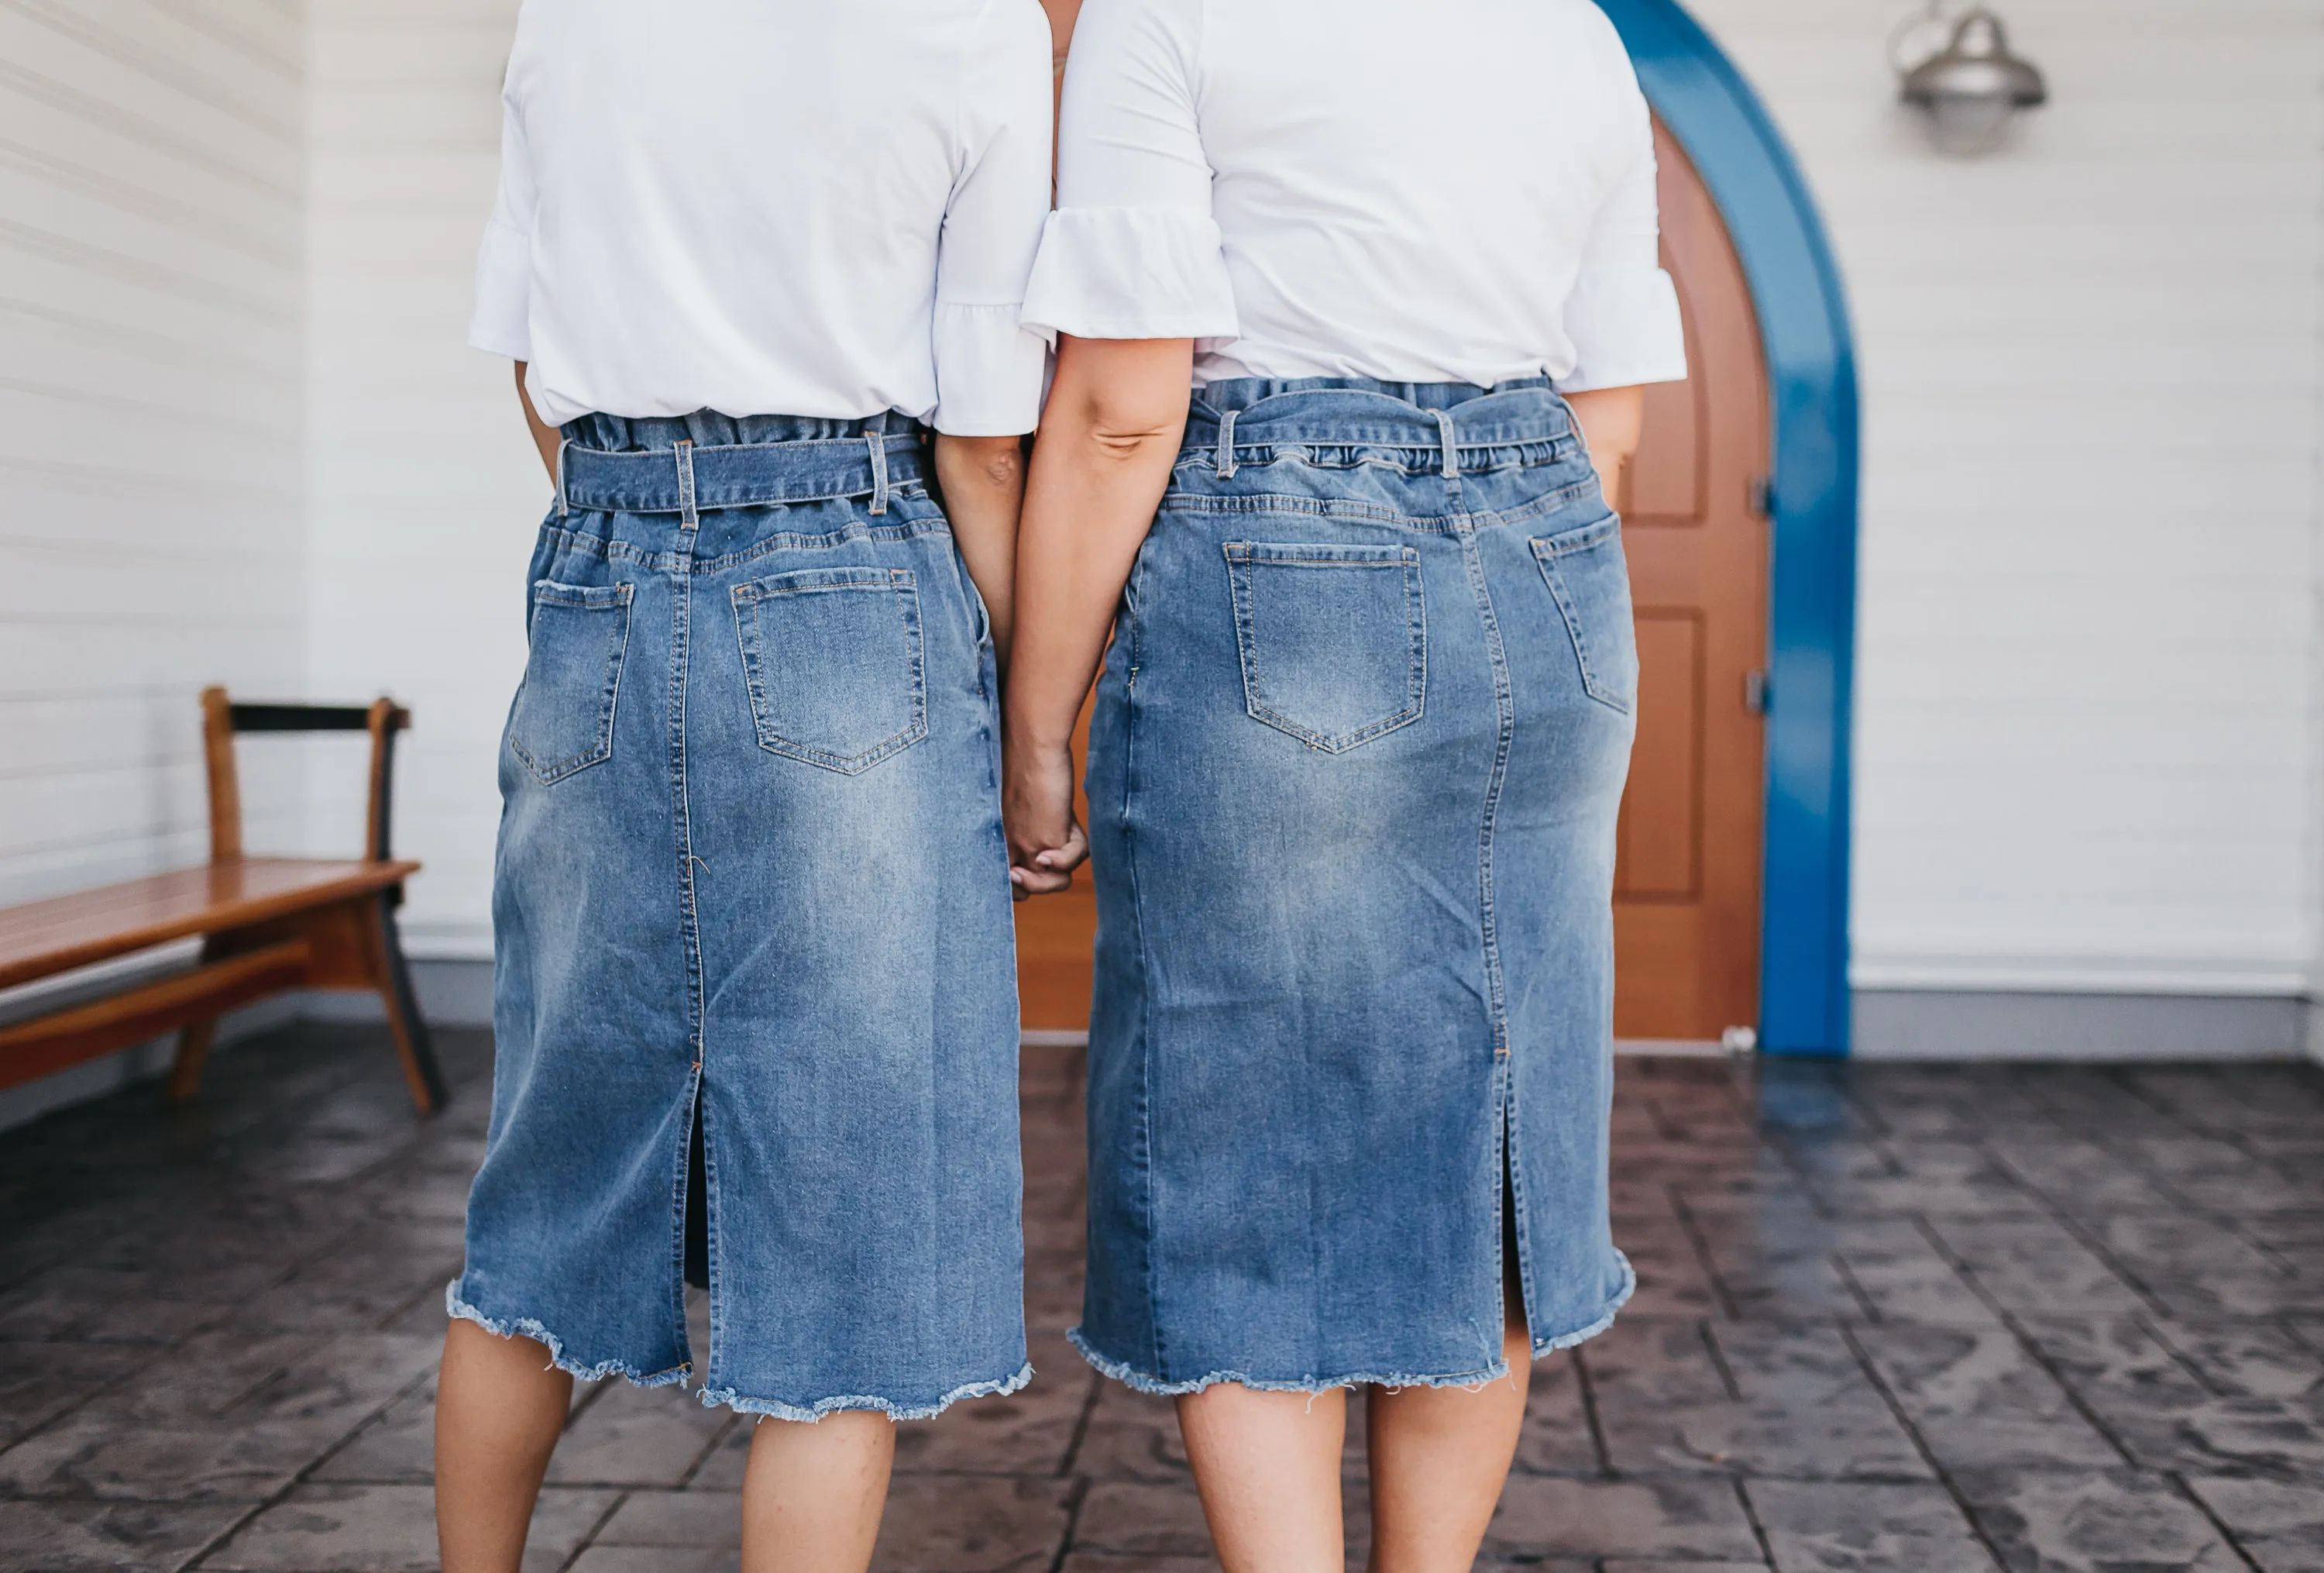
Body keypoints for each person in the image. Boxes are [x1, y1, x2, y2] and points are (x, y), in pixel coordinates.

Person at [1002, 1, 1689, 1567]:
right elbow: (1615, 418)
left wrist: (1038, 734)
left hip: (1284, 541)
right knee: (1493, 1127)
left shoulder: (1167, 15)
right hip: (1551, 554)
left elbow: (1121, 406)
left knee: (1251, 1138)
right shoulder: (1576, 30)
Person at [435, 4, 1054, 1571]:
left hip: (600, 565)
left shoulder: (566, 16)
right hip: (855, 566)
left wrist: (643, 537)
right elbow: (985, 444)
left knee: (551, 1182)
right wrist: (1014, 711)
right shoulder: (969, 29)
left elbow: (529, 365)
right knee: (838, 1232)